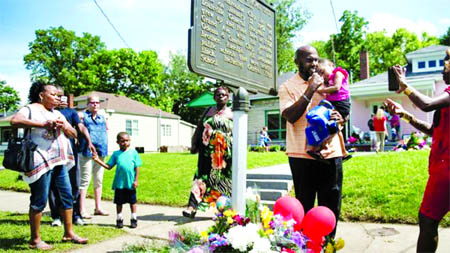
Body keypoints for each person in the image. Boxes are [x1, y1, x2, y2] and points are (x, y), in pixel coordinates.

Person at [384, 48, 450, 252]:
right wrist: (404, 114)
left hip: (447, 171)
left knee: (428, 220)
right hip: (441, 168)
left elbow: (427, 104)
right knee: (428, 220)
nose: (442, 68)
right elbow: (433, 130)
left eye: (446, 62)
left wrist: (405, 86)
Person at [10, 81, 88, 250]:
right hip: (40, 159)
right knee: (39, 199)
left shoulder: (58, 113)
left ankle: (69, 233)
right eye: (53, 94)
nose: (57, 97)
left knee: (67, 196)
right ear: (41, 95)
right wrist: (43, 125)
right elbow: (15, 121)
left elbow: (74, 133)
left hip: (59, 161)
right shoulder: (30, 109)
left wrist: (64, 127)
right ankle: (35, 240)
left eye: (58, 95)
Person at [278, 45, 346, 238]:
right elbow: (290, 116)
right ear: (297, 62)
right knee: (305, 206)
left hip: (331, 153)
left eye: (316, 59)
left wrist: (341, 117)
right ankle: (306, 247)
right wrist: (310, 89)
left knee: (331, 206)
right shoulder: (287, 87)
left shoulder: (329, 80)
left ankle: (328, 246)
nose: (314, 64)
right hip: (302, 156)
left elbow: (341, 102)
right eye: (309, 60)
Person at [48, 87, 97, 227]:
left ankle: (76, 215)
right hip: (51, 154)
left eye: (62, 96)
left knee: (73, 184)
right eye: (57, 96)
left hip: (69, 154)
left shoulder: (71, 112)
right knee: (53, 186)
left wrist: (89, 141)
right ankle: (56, 216)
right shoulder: (47, 112)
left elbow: (81, 127)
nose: (60, 98)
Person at [183, 86, 233, 219]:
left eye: (223, 95)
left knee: (224, 181)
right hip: (206, 152)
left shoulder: (232, 113)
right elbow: (200, 128)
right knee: (201, 177)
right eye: (218, 94)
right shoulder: (208, 110)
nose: (220, 96)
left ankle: (225, 210)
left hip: (224, 154)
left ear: (228, 97)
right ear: (214, 97)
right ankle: (192, 207)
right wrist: (194, 144)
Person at [92, 132, 142, 229]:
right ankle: (119, 219)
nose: (125, 143)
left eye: (127, 141)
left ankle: (133, 218)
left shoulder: (133, 153)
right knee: (119, 202)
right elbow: (108, 166)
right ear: (118, 142)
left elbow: (137, 167)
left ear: (130, 141)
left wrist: (136, 180)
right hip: (119, 183)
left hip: (130, 182)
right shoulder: (116, 154)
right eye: (122, 141)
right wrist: (97, 160)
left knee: (133, 202)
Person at [306, 58, 351, 162]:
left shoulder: (338, 73)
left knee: (332, 127)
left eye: (322, 71)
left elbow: (336, 88)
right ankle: (342, 152)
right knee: (331, 127)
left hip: (341, 104)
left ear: (331, 65)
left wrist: (318, 90)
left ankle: (321, 149)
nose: (322, 75)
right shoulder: (327, 80)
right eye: (320, 74)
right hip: (332, 103)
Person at [79, 95, 109, 219]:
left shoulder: (102, 117)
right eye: (92, 103)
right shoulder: (83, 117)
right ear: (87, 104)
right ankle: (81, 209)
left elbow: (106, 130)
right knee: (85, 181)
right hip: (87, 151)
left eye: (97, 102)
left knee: (98, 180)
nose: (95, 105)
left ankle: (98, 207)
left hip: (101, 152)